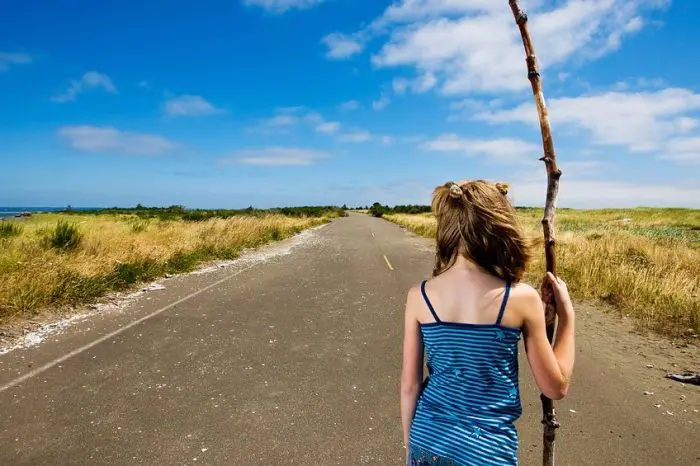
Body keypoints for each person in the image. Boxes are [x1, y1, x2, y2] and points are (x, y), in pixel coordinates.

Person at [400, 180, 576, 466]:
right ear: (500, 228)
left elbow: (410, 386)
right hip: (486, 453)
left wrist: (411, 448)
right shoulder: (520, 298)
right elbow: (555, 388)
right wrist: (567, 317)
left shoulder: (419, 296)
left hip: (426, 440)